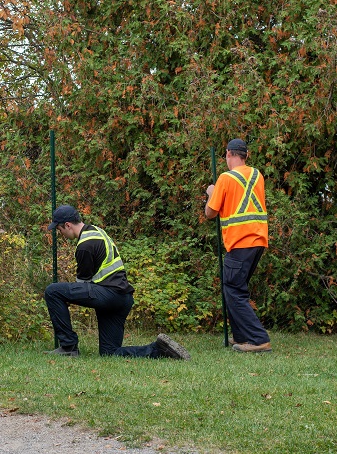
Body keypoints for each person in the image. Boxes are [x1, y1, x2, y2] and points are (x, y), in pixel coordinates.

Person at [43, 205, 190, 360]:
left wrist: (66, 299)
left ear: (68, 225)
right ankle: (158, 350)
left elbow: (82, 284)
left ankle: (68, 347)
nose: (61, 234)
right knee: (110, 352)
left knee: (53, 291)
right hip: (123, 298)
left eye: (59, 229)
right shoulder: (96, 231)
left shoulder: (84, 246)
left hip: (109, 295)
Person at [204, 138, 272, 353]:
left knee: (233, 290)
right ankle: (242, 336)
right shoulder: (257, 175)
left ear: (227, 154)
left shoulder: (225, 178)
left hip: (239, 242)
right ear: (246, 155)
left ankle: (258, 339)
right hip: (258, 240)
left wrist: (211, 193)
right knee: (234, 287)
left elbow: (210, 212)